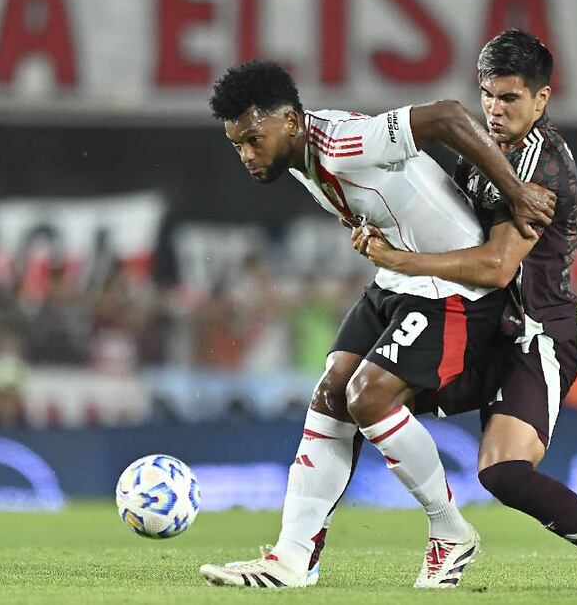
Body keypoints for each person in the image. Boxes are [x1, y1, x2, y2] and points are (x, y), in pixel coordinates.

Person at [198, 60, 555, 589]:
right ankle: (291, 559)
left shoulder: (344, 142)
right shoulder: (301, 155)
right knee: (330, 392)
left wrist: (515, 190)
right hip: (399, 279)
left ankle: (449, 529)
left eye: (254, 139)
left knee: (368, 397)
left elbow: (446, 116)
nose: (248, 155)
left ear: (291, 123)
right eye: (237, 146)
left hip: (454, 286)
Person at [351, 30, 577, 592]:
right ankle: (427, 536)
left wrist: (400, 258)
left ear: (541, 100)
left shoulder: (542, 166)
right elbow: (447, 225)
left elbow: (497, 266)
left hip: (535, 336)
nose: (495, 109)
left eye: (510, 98)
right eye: (488, 95)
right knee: (367, 399)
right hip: (481, 329)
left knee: (501, 472)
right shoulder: (481, 155)